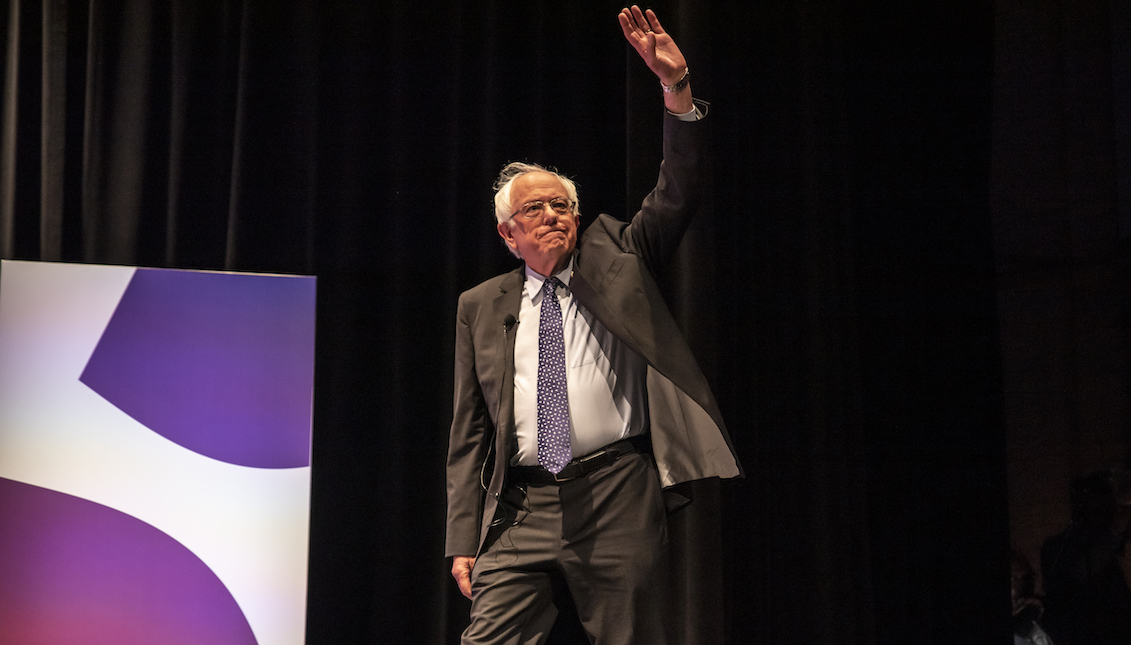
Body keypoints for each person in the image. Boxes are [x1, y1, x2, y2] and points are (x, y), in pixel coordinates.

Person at [445, 6, 741, 644]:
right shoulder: (481, 305)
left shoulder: (624, 261)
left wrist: (676, 89)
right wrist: (463, 536)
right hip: (520, 506)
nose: (553, 213)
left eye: (563, 204)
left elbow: (679, 190)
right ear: (508, 233)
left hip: (615, 492)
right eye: (535, 207)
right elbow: (468, 434)